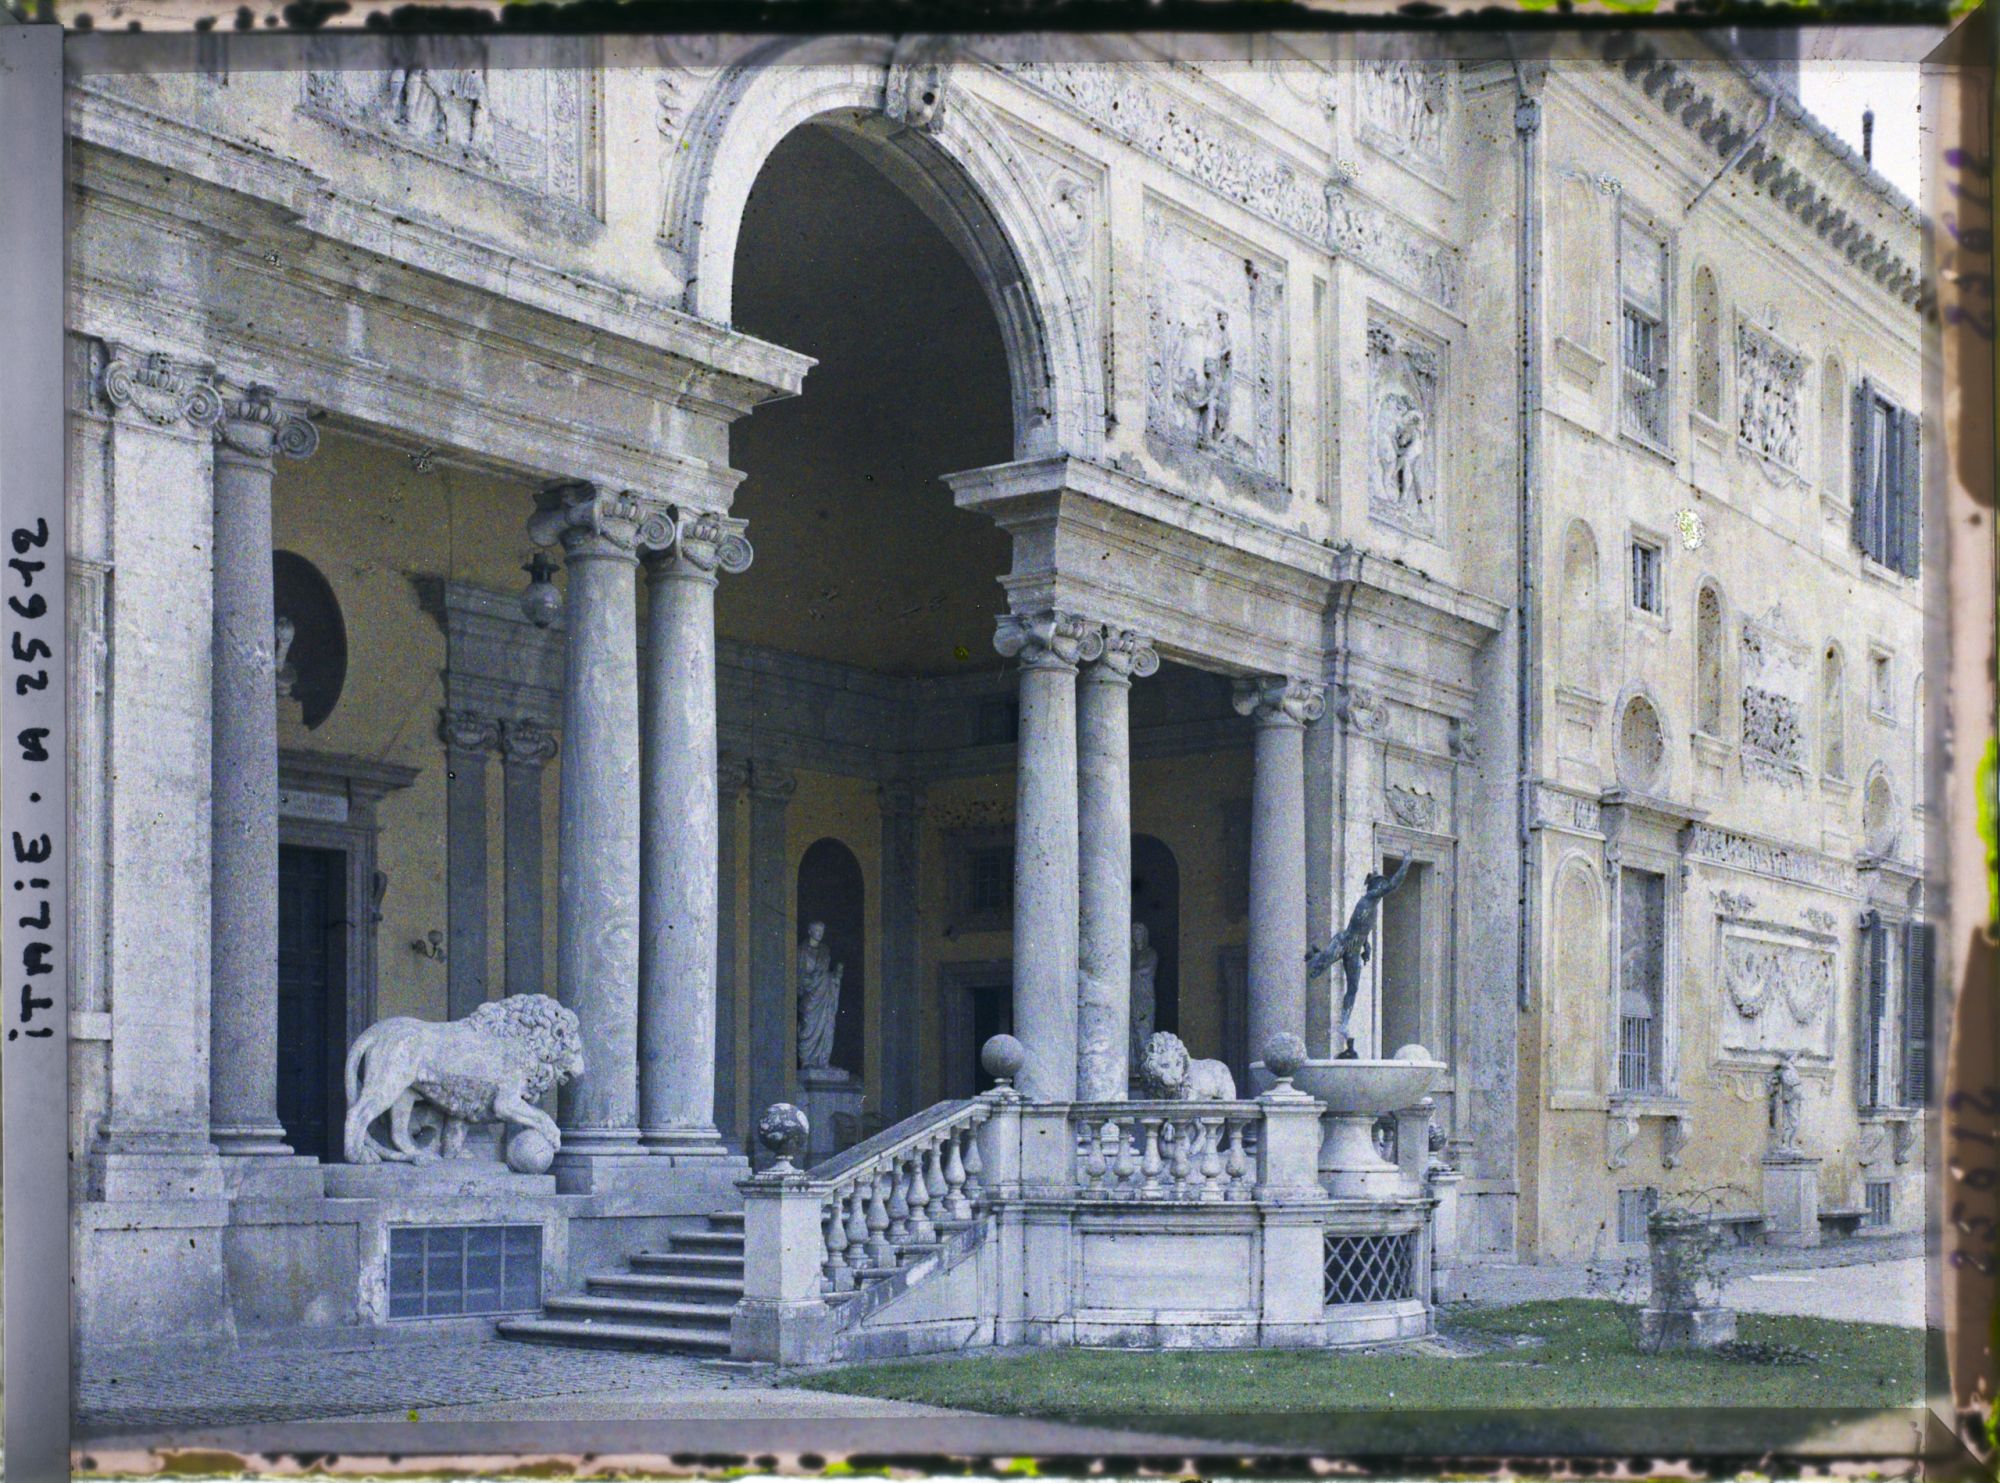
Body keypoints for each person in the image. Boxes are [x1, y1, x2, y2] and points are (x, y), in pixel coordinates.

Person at [1306, 857, 1414, 1057]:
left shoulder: (1372, 905)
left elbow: (1363, 928)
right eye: (1380, 883)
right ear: (1375, 886)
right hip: (1344, 941)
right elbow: (1394, 884)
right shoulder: (1370, 898)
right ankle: (1314, 955)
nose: (1383, 887)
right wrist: (1405, 864)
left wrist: (1367, 948)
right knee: (1317, 969)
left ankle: (1344, 1022)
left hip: (1355, 948)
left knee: (1353, 987)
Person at [796, 921, 842, 1071]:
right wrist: (811, 981)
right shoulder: (801, 951)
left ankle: (822, 1061)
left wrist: (837, 975)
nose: (819, 933)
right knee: (808, 1026)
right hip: (810, 995)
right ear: (809, 931)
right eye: (816, 930)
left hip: (824, 993)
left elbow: (826, 974)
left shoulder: (825, 950)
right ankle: (807, 1061)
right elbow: (799, 976)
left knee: (826, 1024)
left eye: (822, 930)